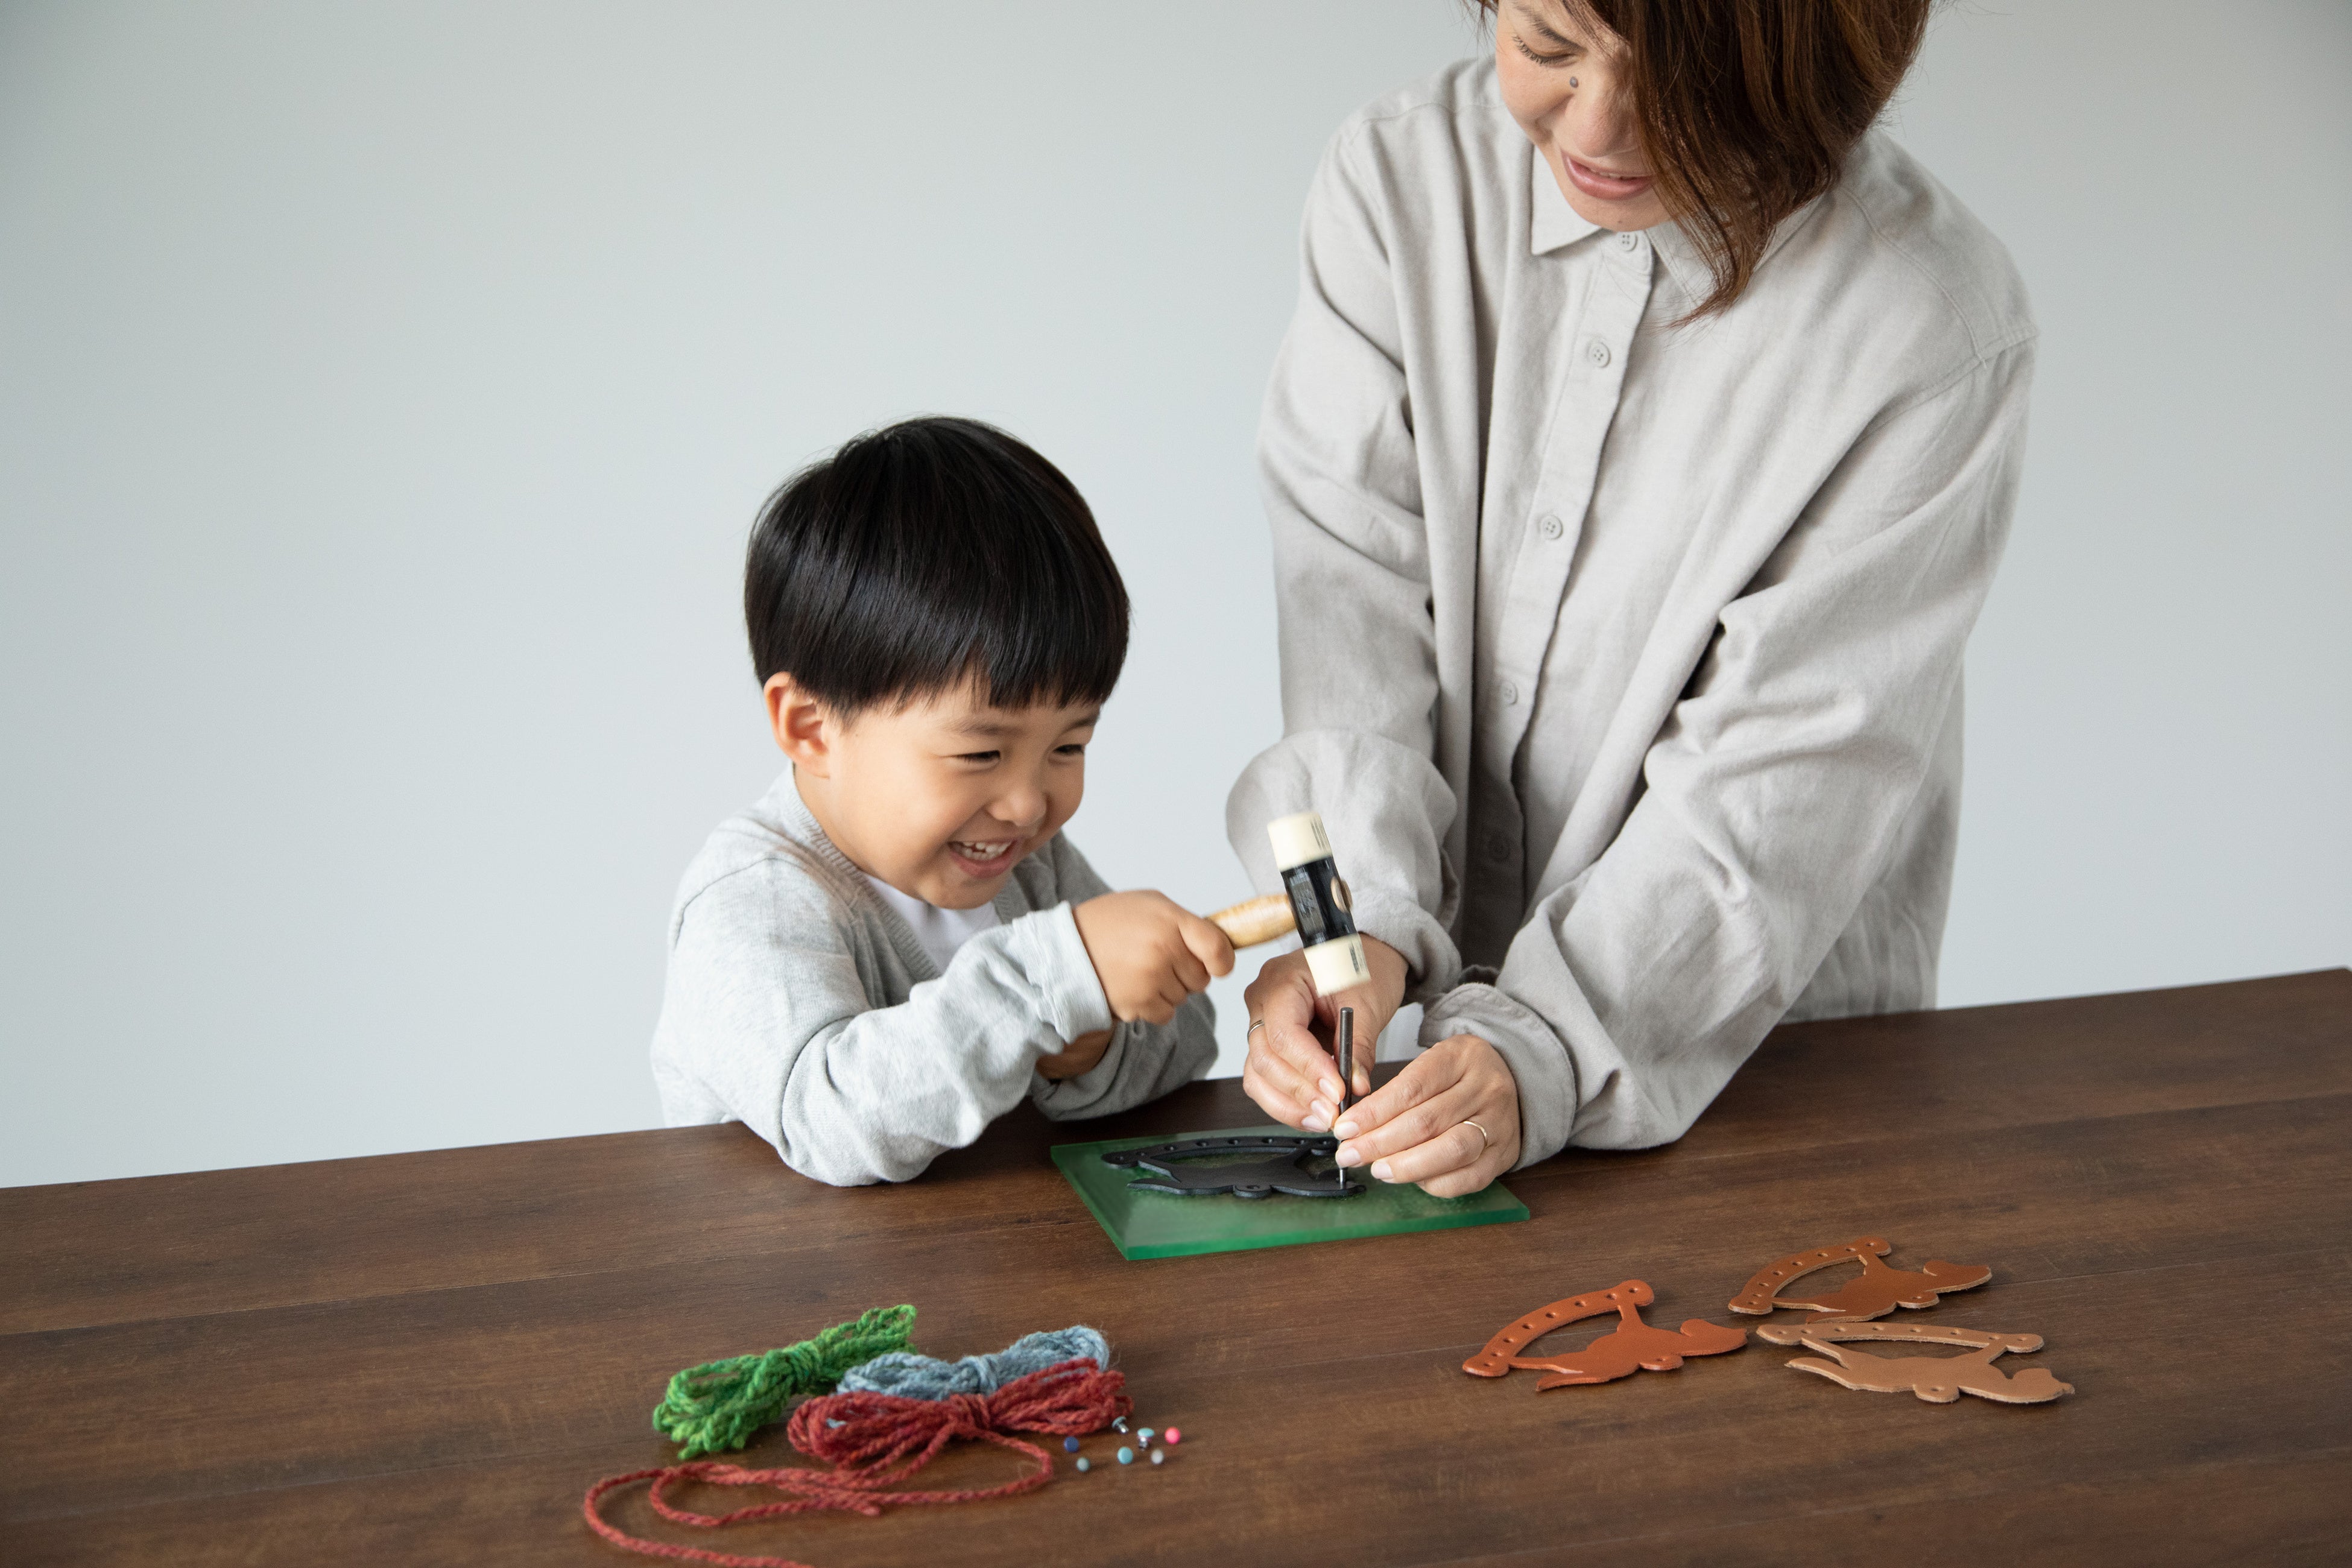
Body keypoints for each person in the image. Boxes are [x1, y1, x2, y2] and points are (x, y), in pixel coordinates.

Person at [1229, 0, 2034, 1195]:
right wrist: (1364, 923)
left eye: (1682, 84)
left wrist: (1539, 1041)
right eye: (1548, 46)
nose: (1599, 125)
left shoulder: (1927, 323)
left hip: (1756, 1067)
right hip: (1426, 1076)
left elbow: (1783, 781)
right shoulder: (1400, 182)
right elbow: (1354, 594)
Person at [653, 416, 1230, 1184]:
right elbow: (832, 1121)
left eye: (1069, 746)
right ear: (812, 728)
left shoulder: (1030, 867)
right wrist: (1046, 983)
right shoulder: (754, 901)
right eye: (981, 753)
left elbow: (1188, 1041)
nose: (1028, 804)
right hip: (807, 1295)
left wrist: (1085, 1048)